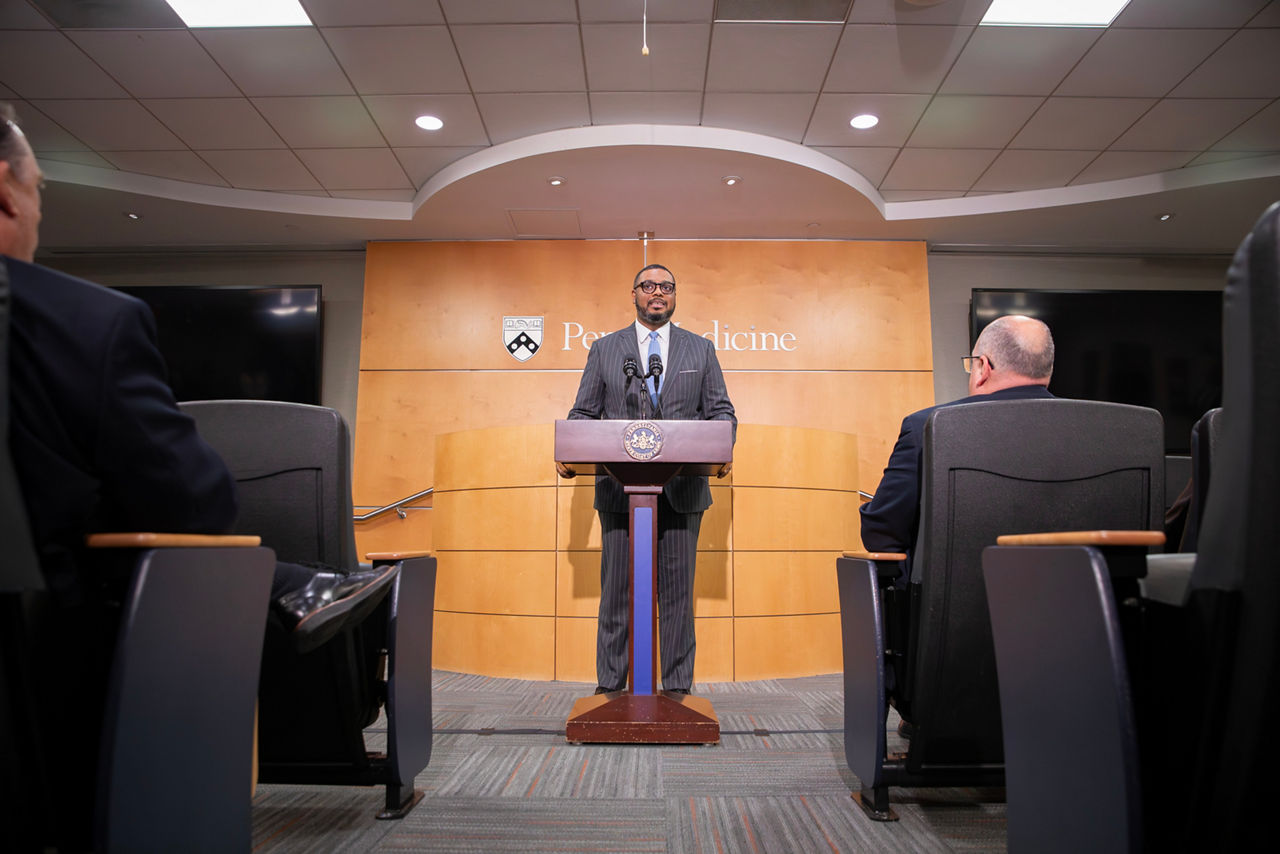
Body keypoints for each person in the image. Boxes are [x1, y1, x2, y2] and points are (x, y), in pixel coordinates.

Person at [1, 104, 392, 849]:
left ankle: (297, 585)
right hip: (47, 681)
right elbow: (196, 504)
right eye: (43, 190)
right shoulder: (83, 321)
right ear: (6, 191)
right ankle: (297, 587)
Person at [566, 263, 736, 694]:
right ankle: (610, 688)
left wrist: (723, 445)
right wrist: (569, 447)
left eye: (666, 286)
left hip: (683, 494)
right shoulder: (605, 349)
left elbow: (722, 413)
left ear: (675, 296)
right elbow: (583, 414)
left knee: (678, 597)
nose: (657, 292)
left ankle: (677, 690)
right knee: (617, 595)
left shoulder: (701, 349)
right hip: (620, 493)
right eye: (648, 286)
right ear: (634, 293)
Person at [860, 314, 1056, 573]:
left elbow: (882, 534)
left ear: (983, 367)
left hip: (953, 609)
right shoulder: (1108, 426)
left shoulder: (928, 426)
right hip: (1079, 606)